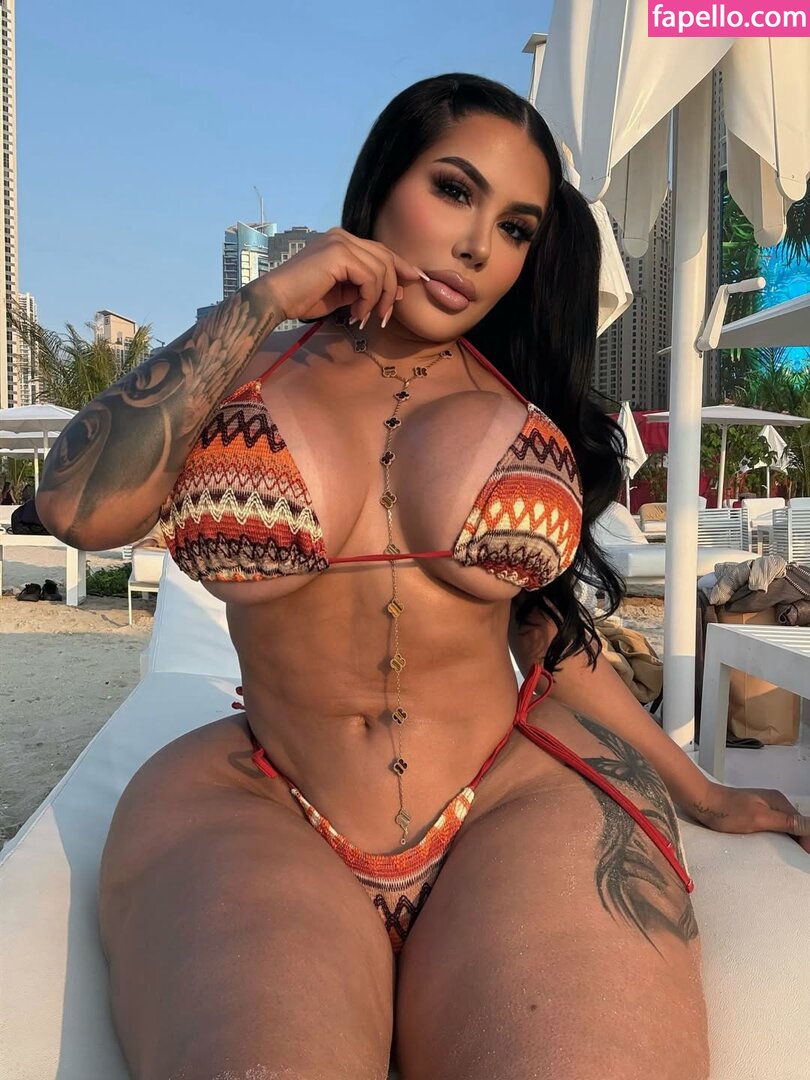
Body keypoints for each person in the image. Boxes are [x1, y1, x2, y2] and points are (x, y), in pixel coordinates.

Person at [36, 73, 808, 1080]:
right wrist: (269, 298)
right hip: (265, 803)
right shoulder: (241, 373)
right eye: (453, 190)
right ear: (380, 186)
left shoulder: (523, 403)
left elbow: (546, 636)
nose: (480, 245)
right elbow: (76, 509)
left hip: (512, 798)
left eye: (517, 227)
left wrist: (699, 790)